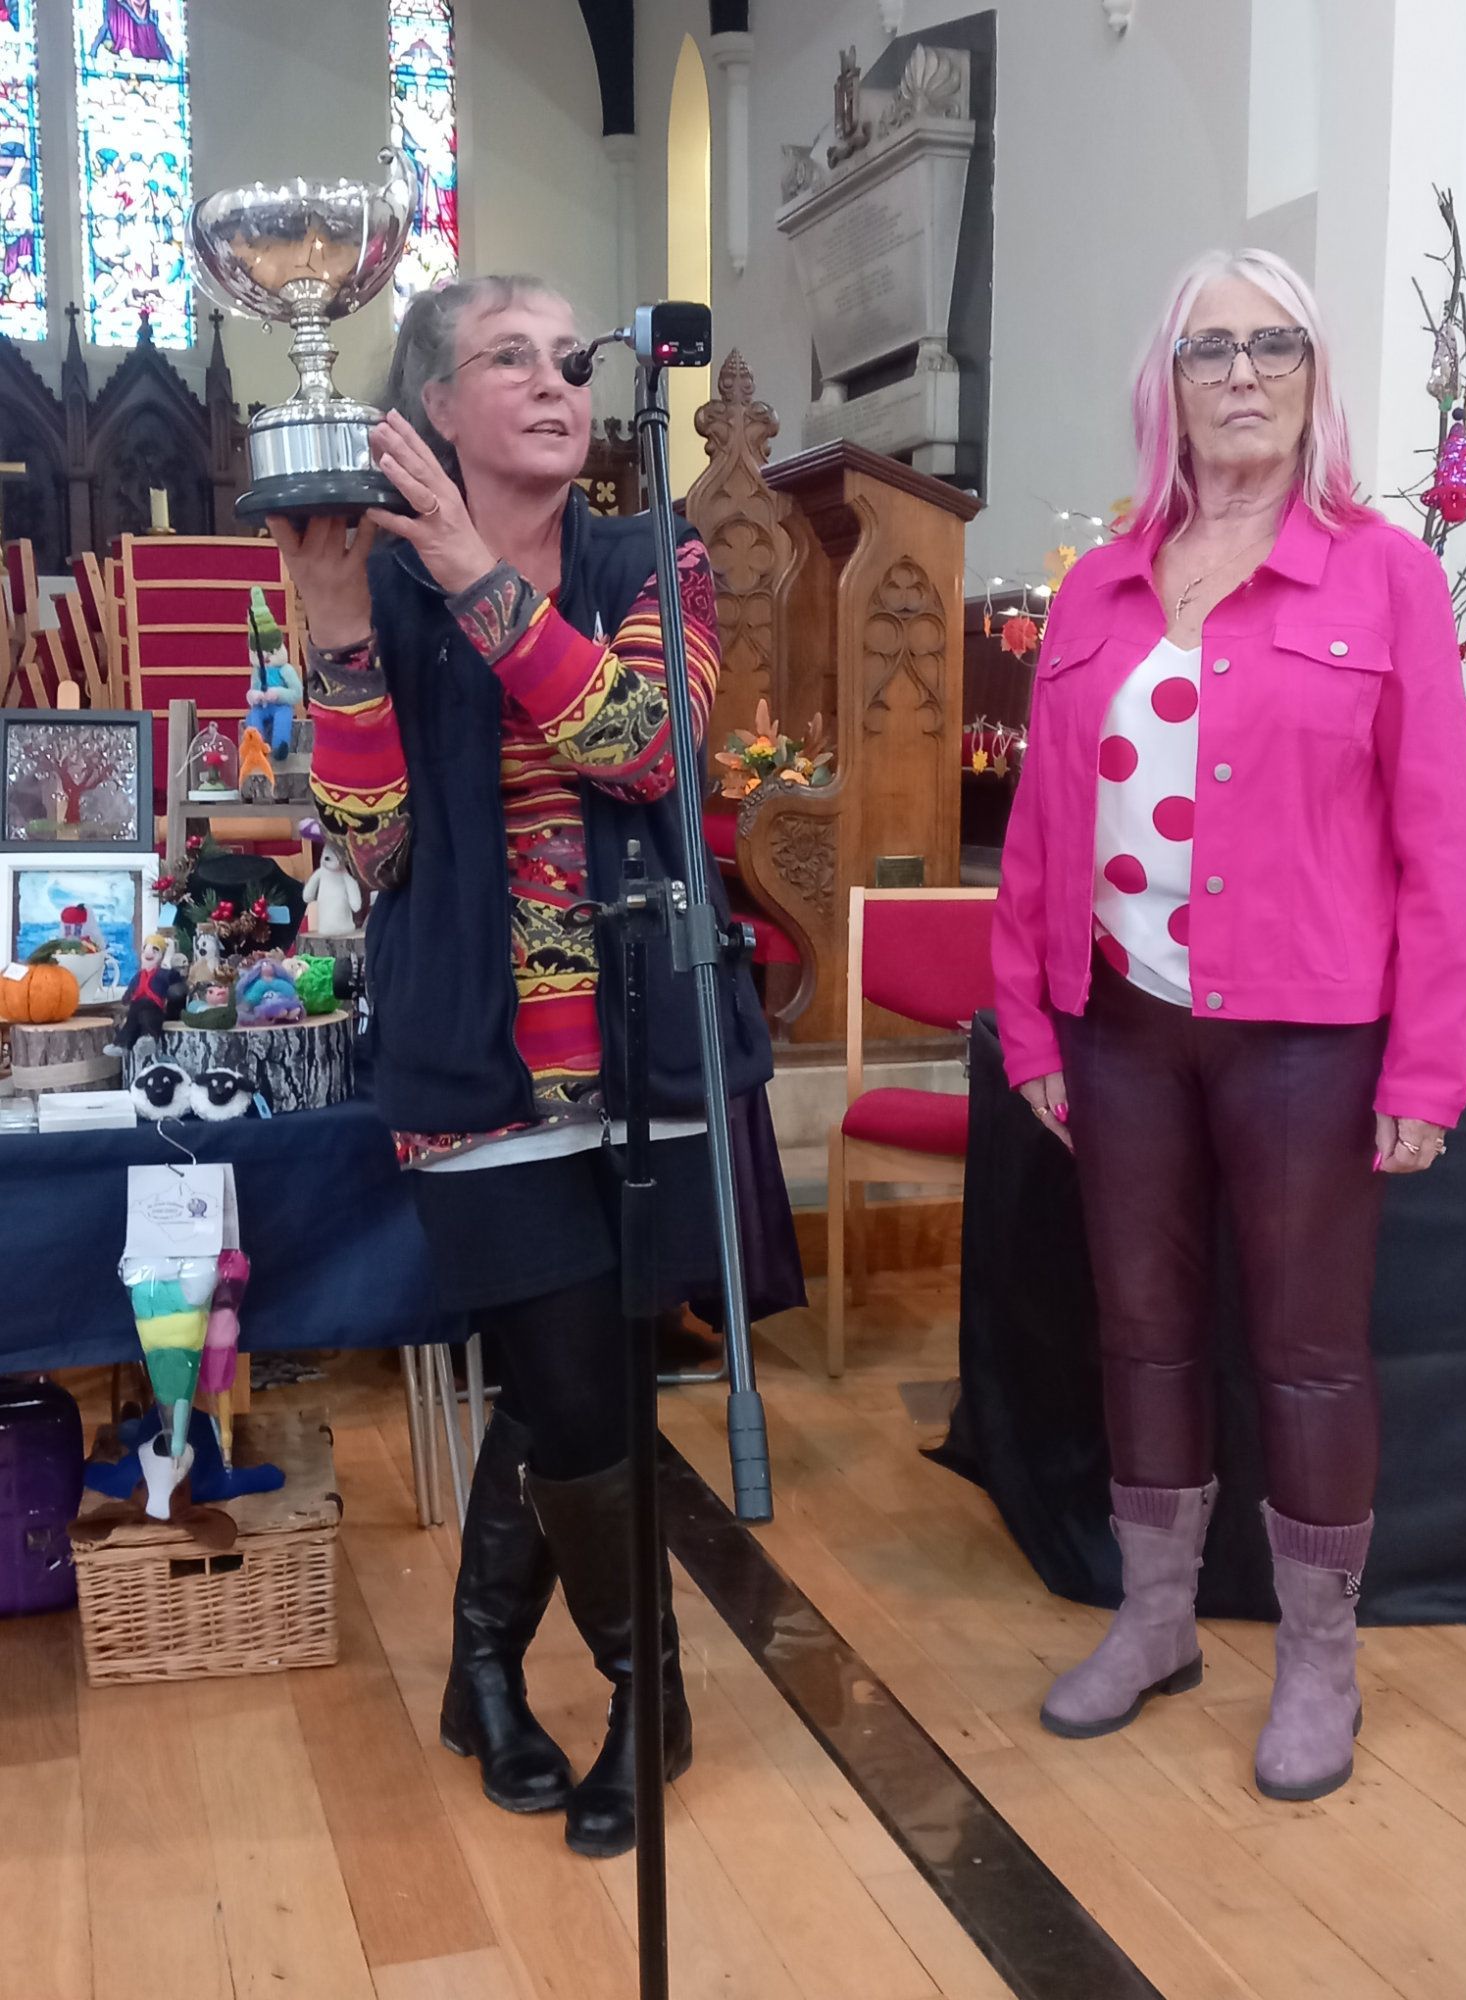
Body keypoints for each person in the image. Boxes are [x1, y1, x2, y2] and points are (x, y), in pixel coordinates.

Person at [276, 274, 780, 1859]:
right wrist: (347, 631)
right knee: (569, 1394)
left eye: (570, 359)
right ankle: (655, 1688)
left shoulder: (656, 559)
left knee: (595, 1380)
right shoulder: (381, 590)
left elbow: (639, 742)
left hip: (648, 1054)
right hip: (474, 1067)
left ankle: (485, 1669)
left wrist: (478, 574)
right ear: (430, 410)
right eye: (511, 359)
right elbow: (375, 845)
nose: (558, 382)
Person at [992, 248, 1466, 1803]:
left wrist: (1427, 1054)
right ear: (1171, 385)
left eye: (1275, 344)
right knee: (1140, 1330)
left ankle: (1319, 1657)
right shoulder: (1097, 586)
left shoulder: (1384, 573)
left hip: (1308, 1037)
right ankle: (1154, 1621)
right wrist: (1029, 1033)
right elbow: (1037, 842)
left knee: (1310, 1353)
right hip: (1124, 1026)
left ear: (1316, 375)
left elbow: (1435, 840)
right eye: (1212, 349)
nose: (1245, 373)